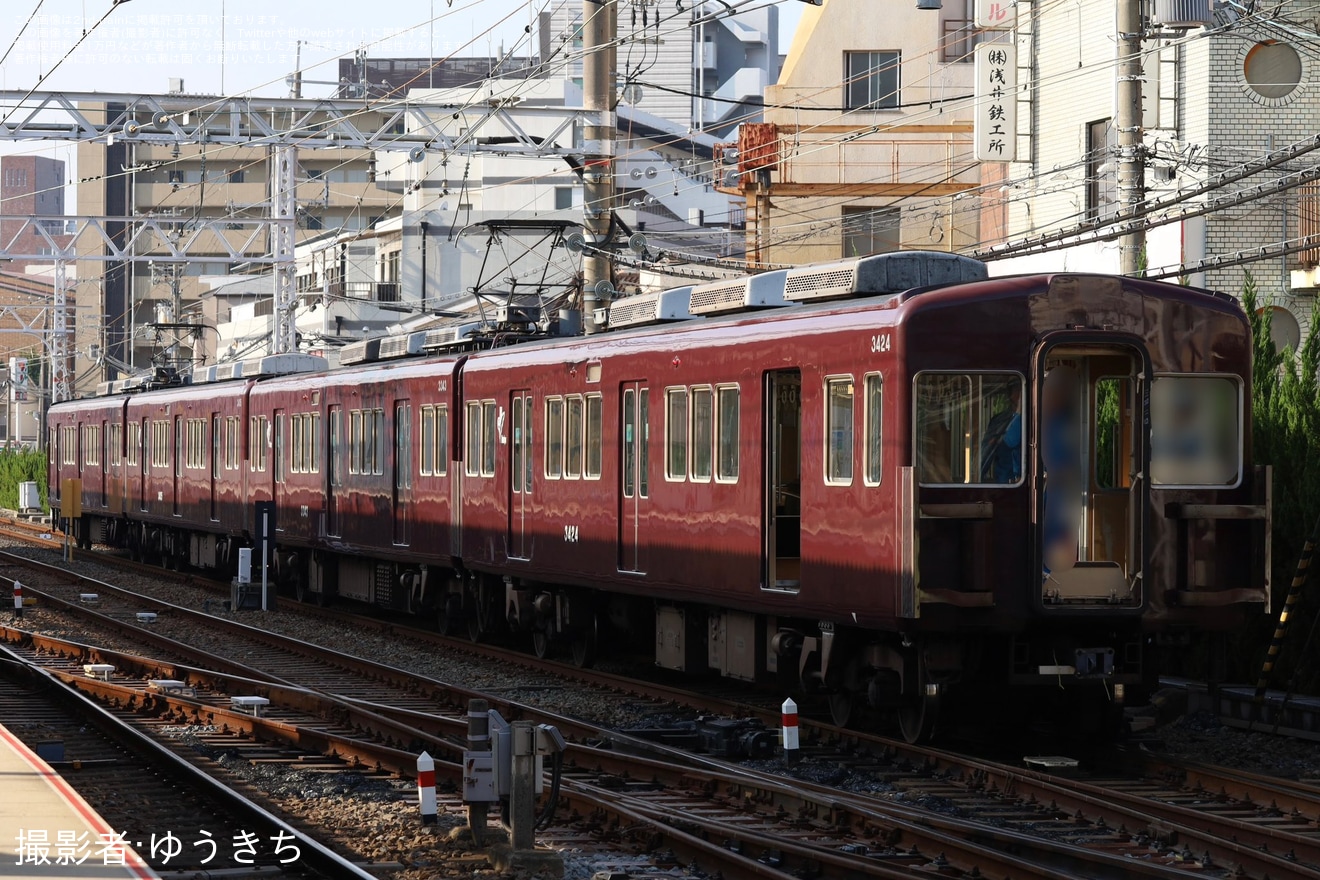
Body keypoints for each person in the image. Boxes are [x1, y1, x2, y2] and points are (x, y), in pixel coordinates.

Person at [980, 384, 1022, 483]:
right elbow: (987, 451)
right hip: (1006, 480)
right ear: (1010, 395)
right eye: (1017, 390)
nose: (1019, 394)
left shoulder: (1041, 419)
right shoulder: (998, 421)